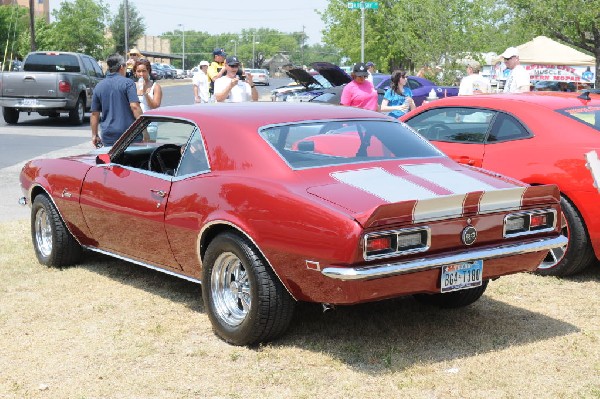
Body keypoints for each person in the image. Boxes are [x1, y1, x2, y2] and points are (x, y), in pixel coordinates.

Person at [91, 53, 142, 147]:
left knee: (112, 161)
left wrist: (94, 135)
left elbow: (95, 114)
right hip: (129, 133)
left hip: (108, 135)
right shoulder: (128, 83)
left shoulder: (99, 86)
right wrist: (144, 129)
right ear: (122, 67)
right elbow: (135, 106)